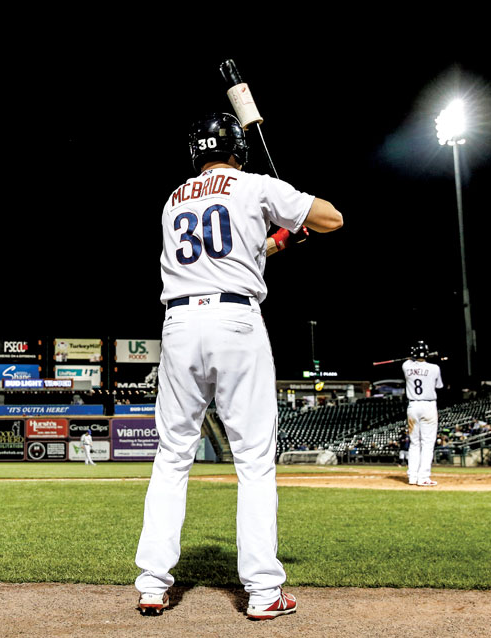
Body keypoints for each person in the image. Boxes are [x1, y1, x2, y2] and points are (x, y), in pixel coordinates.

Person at [134, 112, 343, 620]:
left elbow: (237, 249)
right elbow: (333, 217)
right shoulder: (255, 184)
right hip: (235, 321)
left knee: (172, 456)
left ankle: (152, 584)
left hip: (179, 325)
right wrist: (293, 212)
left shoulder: (173, 199)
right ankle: (264, 591)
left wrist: (281, 239)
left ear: (195, 153)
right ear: (238, 149)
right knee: (252, 459)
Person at [403, 341, 443, 486]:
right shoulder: (434, 368)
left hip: (413, 406)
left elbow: (409, 360)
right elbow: (439, 386)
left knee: (414, 443)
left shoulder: (406, 366)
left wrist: (413, 357)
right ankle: (423, 477)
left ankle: (412, 477)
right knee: (427, 443)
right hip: (428, 405)